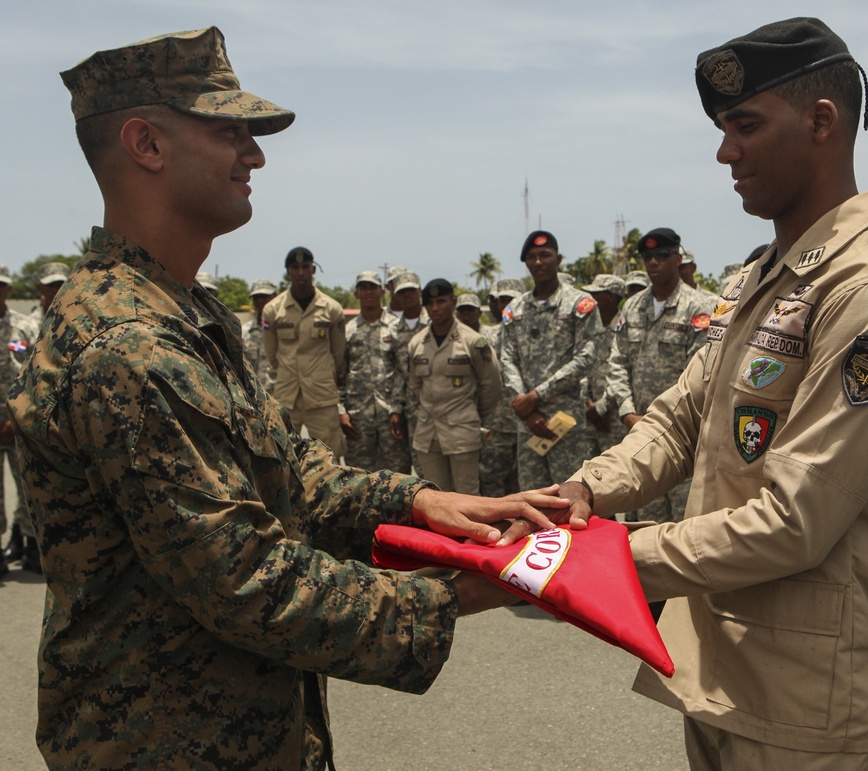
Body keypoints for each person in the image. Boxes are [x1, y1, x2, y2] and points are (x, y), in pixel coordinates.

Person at [10, 27, 564, 768]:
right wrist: (478, 583)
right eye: (229, 131)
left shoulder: (181, 312)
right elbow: (249, 580)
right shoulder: (128, 345)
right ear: (146, 144)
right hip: (165, 744)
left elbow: (289, 466)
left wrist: (418, 503)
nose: (256, 155)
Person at [500, 18, 868, 770]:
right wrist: (583, 489)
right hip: (724, 670)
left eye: (745, 125)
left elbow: (793, 522)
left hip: (815, 703)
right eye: (721, 128)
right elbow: (684, 418)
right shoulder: (764, 279)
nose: (725, 151)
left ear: (821, 122)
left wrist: (600, 557)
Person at [604, 229, 714, 523]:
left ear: (678, 258)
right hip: (637, 433)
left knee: (683, 523)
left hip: (683, 436)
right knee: (642, 524)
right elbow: (616, 362)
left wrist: (662, 420)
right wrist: (628, 413)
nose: (653, 262)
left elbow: (701, 372)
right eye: (647, 257)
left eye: (662, 256)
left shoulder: (699, 307)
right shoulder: (633, 306)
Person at [500, 230, 603, 490]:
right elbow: (507, 359)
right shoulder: (515, 309)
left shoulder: (580, 303)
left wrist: (537, 396)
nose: (538, 262)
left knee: (570, 498)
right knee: (531, 500)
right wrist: (527, 408)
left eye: (545, 255)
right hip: (527, 423)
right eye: (532, 257)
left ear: (558, 259)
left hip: (565, 422)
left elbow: (586, 357)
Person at [404, 279, 501, 493]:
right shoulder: (417, 343)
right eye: (430, 304)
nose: (435, 308)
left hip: (462, 432)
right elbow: (415, 385)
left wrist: (472, 414)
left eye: (441, 301)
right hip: (428, 433)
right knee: (436, 496)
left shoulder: (473, 341)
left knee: (467, 496)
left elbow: (492, 385)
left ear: (453, 302)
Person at [263, 246, 348, 457]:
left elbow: (338, 353)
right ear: (288, 271)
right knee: (282, 452)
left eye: (305, 267)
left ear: (313, 269)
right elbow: (272, 355)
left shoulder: (331, 308)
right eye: (295, 267)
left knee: (329, 453)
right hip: (287, 394)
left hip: (321, 394)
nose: (300, 272)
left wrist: (320, 373)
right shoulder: (273, 310)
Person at [341, 270, 406, 471]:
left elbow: (402, 371)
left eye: (373, 288)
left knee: (398, 474)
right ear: (356, 294)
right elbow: (340, 372)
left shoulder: (397, 327)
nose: (368, 292)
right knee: (359, 474)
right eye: (363, 288)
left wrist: (397, 408)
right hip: (358, 415)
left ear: (382, 292)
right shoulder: (348, 330)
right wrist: (341, 411)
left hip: (391, 414)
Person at [0, 264, 38, 574]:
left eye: (1, 285)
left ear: (9, 289)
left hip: (15, 424)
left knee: (27, 487)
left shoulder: (19, 328)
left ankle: (28, 543)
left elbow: (32, 369)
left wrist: (16, 416)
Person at [479, 278, 524, 497]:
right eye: (502, 300)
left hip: (530, 420)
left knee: (525, 480)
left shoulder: (533, 335)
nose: (506, 305)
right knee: (492, 478)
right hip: (496, 422)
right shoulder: (486, 337)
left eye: (511, 299)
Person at [579, 273, 628, 457]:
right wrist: (587, 404)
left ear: (611, 297)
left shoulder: (626, 327)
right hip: (587, 416)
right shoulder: (589, 328)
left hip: (616, 417)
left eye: (596, 294)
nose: (590, 299)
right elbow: (581, 368)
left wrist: (601, 407)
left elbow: (624, 371)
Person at [386, 270, 428, 473]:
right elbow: (397, 373)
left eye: (412, 290)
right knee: (418, 466)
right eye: (402, 292)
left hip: (441, 407)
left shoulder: (435, 322)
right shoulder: (394, 331)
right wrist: (396, 408)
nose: (408, 296)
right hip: (412, 409)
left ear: (420, 291)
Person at [241, 277, 277, 394]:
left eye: (265, 296)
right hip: (252, 397)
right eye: (256, 297)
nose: (260, 300)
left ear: (275, 297)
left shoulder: (285, 330)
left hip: (281, 397)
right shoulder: (244, 331)